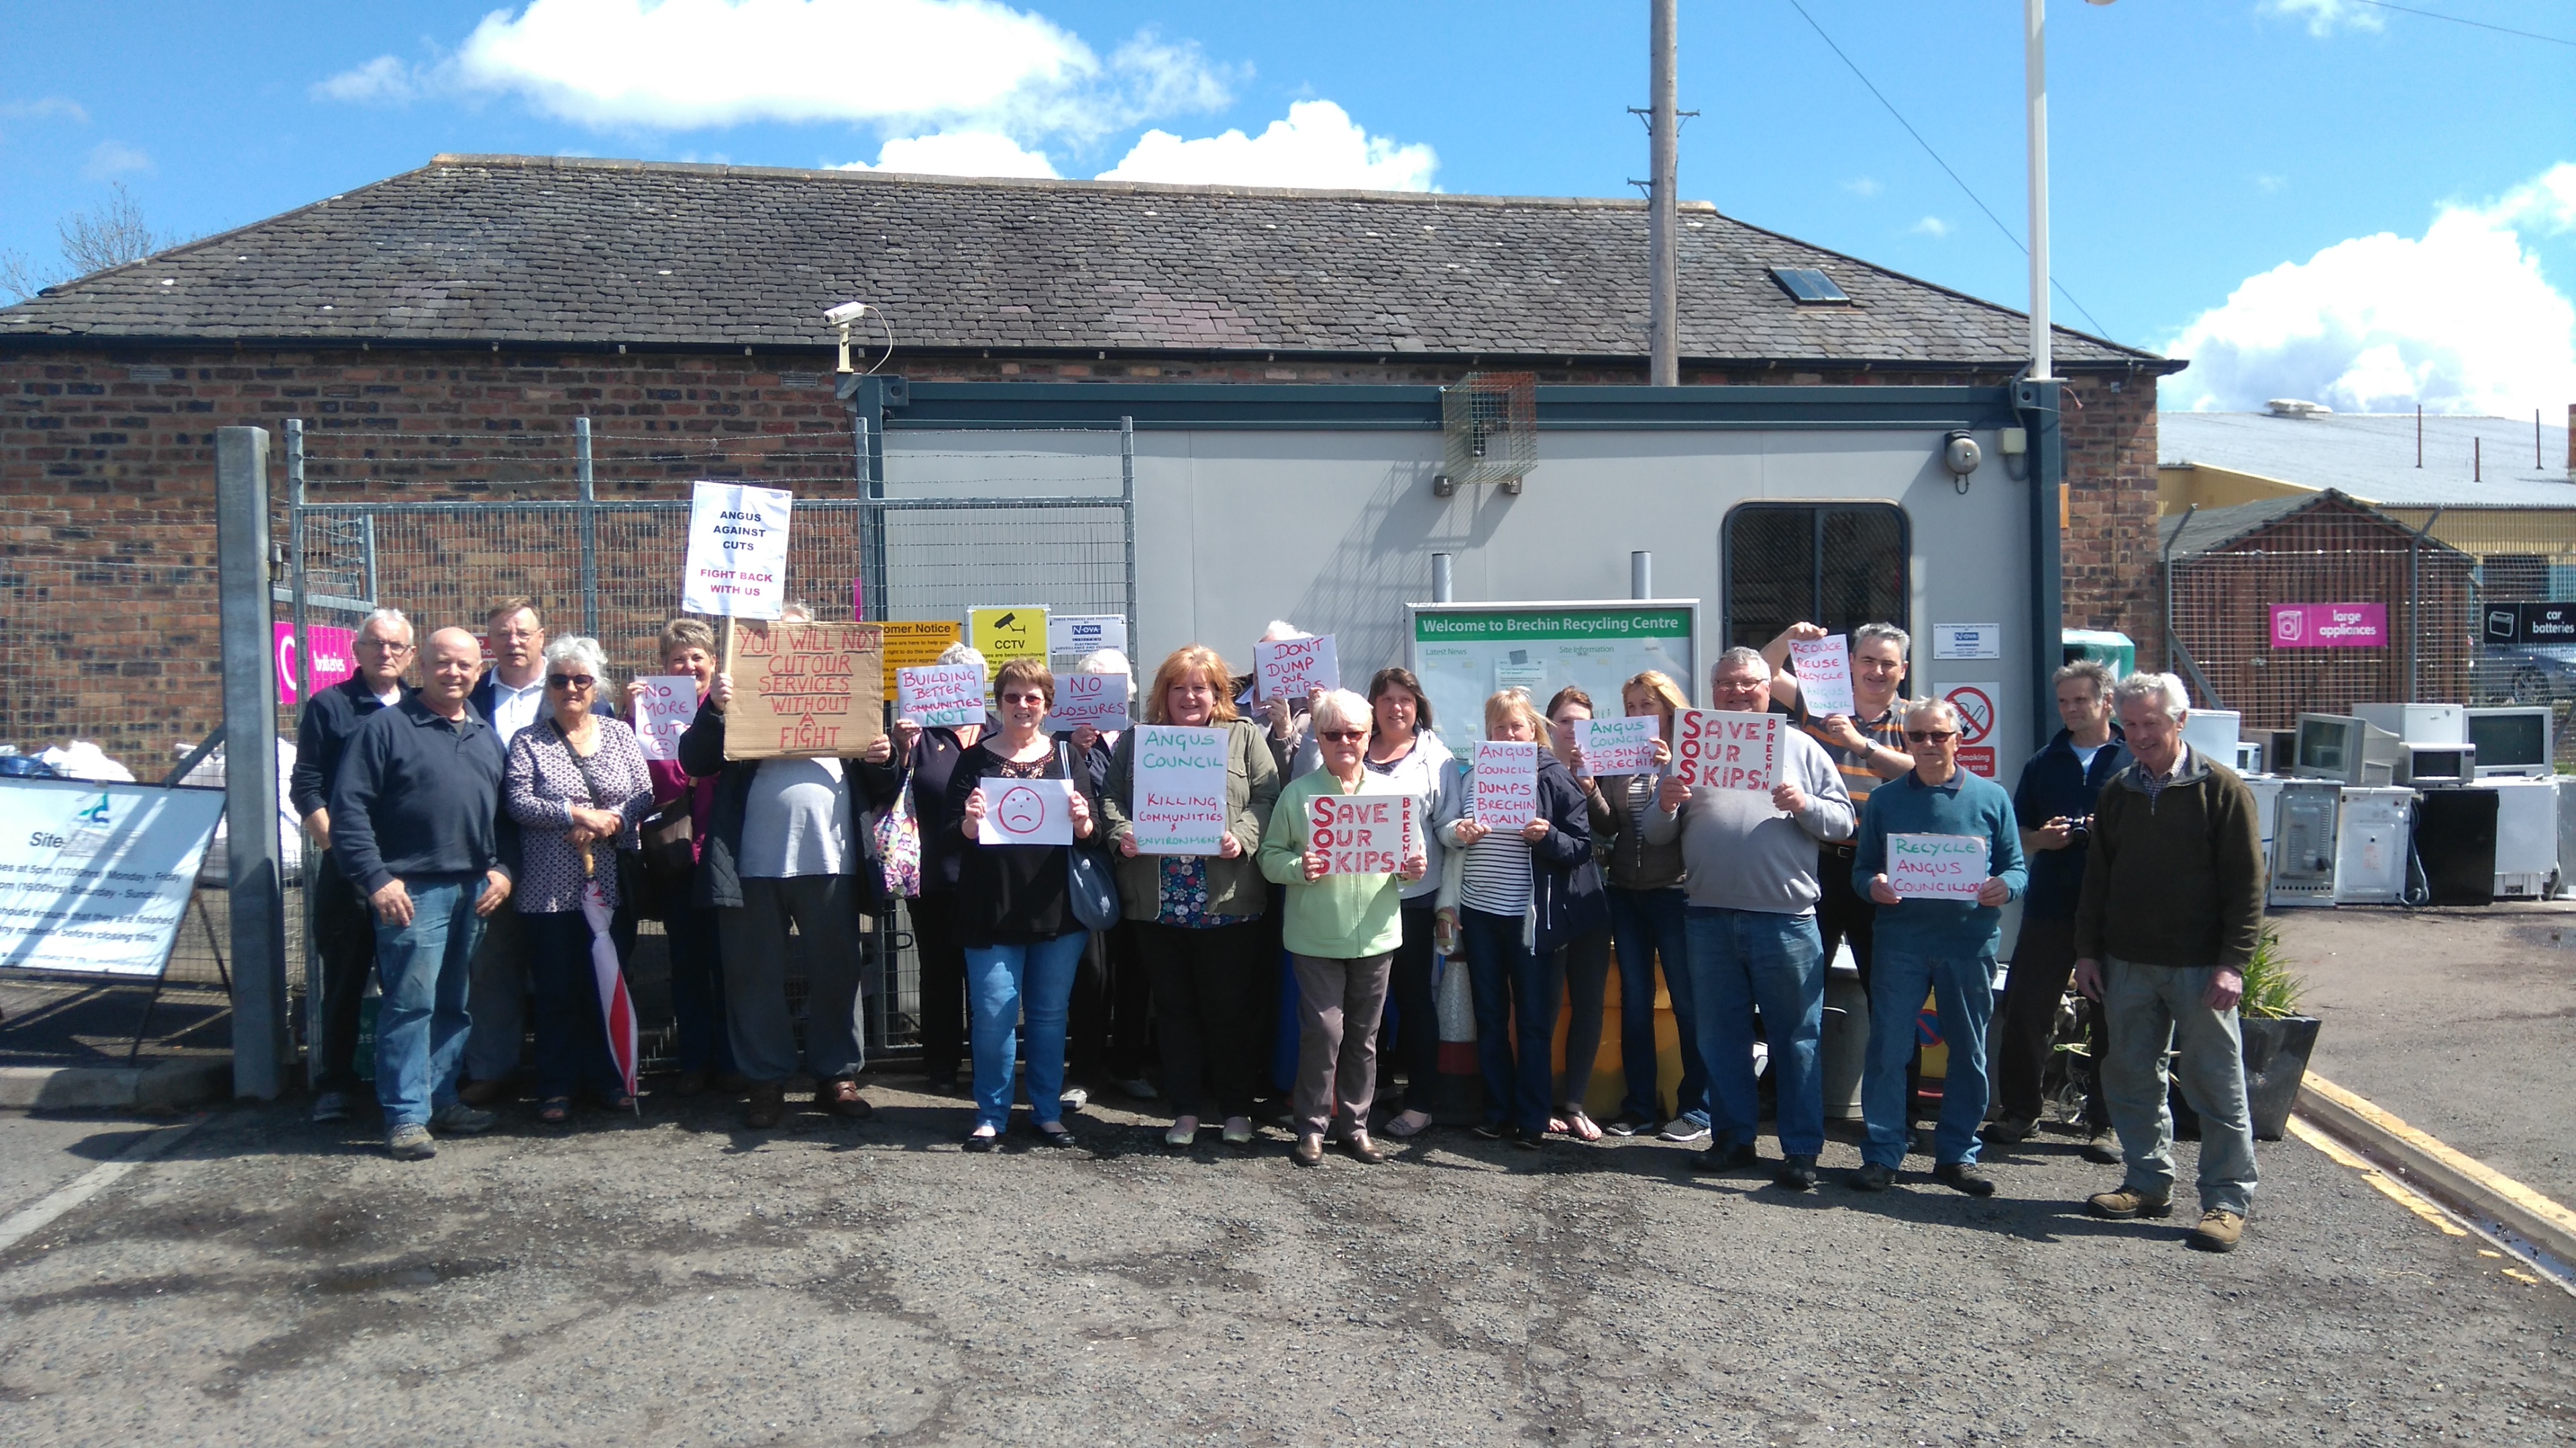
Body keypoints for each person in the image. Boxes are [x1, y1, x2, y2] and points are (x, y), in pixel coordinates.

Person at [2074, 671, 2265, 1254]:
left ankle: (2226, 1201)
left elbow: (2247, 886)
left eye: (2150, 724)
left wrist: (2233, 963)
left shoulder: (2223, 790)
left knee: (2216, 1083)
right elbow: (2097, 879)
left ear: (2180, 722)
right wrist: (2087, 952)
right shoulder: (2120, 790)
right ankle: (2147, 1181)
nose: (2138, 735)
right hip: (2127, 963)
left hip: (2201, 968)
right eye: (2129, 724)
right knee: (2130, 1074)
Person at [1648, 647, 1853, 1189]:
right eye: (1726, 684)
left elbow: (1843, 820)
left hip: (1785, 919)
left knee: (1797, 1040)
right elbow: (1655, 834)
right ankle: (1733, 1139)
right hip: (1709, 917)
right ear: (1713, 689)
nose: (1737, 693)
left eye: (1748, 684)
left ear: (1769, 689)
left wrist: (1803, 804)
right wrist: (1665, 803)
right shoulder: (1691, 748)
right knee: (1721, 1037)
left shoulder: (1802, 746)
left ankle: (1802, 1150)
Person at [678, 604, 881, 1131]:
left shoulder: (849, 695)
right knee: (753, 976)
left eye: (796, 635)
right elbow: (695, 761)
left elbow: (882, 787)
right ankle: (766, 1082)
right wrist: (715, 709)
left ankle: (836, 1074)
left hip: (831, 859)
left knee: (837, 971)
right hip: (750, 863)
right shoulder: (735, 697)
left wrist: (888, 756)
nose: (788, 647)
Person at [328, 626, 515, 1160]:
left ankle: (440, 1098)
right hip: (411, 892)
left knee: (454, 1004)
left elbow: (505, 817)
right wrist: (376, 879)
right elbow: (350, 811)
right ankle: (406, 1116)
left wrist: (503, 869)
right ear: (422, 666)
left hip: (474, 889)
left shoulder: (485, 734)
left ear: (479, 670)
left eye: (464, 664)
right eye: (442, 663)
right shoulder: (385, 730)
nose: (453, 672)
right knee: (410, 1006)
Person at [1099, 645, 1281, 1148]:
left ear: (1218, 693)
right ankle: (1183, 1111)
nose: (1189, 696)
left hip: (1227, 899)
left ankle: (1238, 1109)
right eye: (1179, 687)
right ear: (1164, 694)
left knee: (1229, 1011)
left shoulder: (1243, 737)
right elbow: (1111, 796)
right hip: (1159, 899)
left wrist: (1241, 834)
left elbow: (1270, 796)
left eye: (1200, 687)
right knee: (1175, 1011)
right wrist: (1123, 833)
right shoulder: (1139, 742)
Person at [1849, 698, 2027, 1195]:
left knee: (1968, 1050)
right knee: (1888, 1048)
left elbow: (2017, 867)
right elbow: (1861, 871)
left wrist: (2005, 887)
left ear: (1958, 738)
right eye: (1918, 735)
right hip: (1901, 942)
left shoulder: (1991, 798)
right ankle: (1883, 1152)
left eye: (1938, 735)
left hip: (1968, 944)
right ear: (1905, 739)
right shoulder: (1884, 800)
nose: (1928, 744)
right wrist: (1874, 886)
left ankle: (1957, 1154)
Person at [1260, 689, 1428, 1166]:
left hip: (1375, 934)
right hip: (1317, 934)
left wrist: (1414, 866)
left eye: (1354, 733)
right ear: (1319, 736)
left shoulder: (1392, 794)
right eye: (1332, 733)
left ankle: (1355, 1125)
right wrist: (1298, 866)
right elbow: (1270, 857)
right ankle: (1312, 1127)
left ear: (1368, 734)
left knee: (1364, 1035)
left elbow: (1410, 858)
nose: (1344, 742)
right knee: (1323, 1030)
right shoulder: (1298, 794)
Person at [949, 658, 1099, 1149]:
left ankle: (1047, 1112)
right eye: (1012, 696)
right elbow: (952, 833)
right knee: (994, 1014)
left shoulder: (1065, 757)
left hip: (1058, 909)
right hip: (991, 907)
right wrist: (970, 821)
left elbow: (1093, 831)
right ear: (999, 702)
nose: (1022, 705)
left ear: (1048, 705)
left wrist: (1082, 820)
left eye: (1033, 697)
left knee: (1050, 1016)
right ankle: (991, 1114)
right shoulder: (974, 760)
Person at [504, 636, 653, 1125]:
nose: (570, 687)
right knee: (557, 987)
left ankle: (608, 1078)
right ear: (547, 686)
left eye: (581, 680)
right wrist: (573, 812)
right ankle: (556, 1084)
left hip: (610, 883)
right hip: (549, 889)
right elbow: (519, 801)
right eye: (560, 679)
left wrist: (610, 819)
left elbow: (643, 791)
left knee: (606, 982)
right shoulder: (529, 741)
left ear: (596, 687)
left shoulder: (619, 734)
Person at [1451, 689, 1605, 1150]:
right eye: (1500, 727)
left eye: (1517, 725)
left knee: (1535, 1022)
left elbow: (1582, 846)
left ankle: (1533, 1118)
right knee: (1492, 1016)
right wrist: (1463, 833)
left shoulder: (1554, 775)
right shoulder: (1474, 774)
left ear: (1533, 729)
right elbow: (1457, 834)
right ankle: (1498, 1112)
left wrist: (1547, 836)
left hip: (1530, 919)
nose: (1508, 734)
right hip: (1480, 912)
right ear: (1488, 732)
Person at [1988, 660, 2128, 1159]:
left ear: (2106, 702)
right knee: (2028, 1008)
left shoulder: (2131, 758)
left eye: (2080, 700)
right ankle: (2022, 1112)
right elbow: (2016, 835)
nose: (2070, 709)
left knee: (2111, 1016)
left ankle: (2105, 1122)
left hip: (2115, 910)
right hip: (2051, 903)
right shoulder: (2043, 761)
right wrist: (2043, 839)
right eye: (2064, 701)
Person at [289, 606, 417, 1125]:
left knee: (409, 984)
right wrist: (343, 855)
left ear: (411, 655)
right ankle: (336, 1084)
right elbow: (307, 786)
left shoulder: (421, 706)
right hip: (350, 875)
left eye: (396, 646)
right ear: (356, 650)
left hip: (411, 870)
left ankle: (404, 1084)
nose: (385, 653)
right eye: (376, 644)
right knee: (345, 980)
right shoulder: (330, 706)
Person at [859, 641, 992, 1096]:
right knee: (939, 974)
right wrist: (899, 748)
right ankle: (941, 1067)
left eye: (971, 679)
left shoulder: (999, 732)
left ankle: (989, 1066)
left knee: (989, 977)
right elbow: (884, 791)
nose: (962, 689)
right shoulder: (921, 735)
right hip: (934, 875)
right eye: (954, 679)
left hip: (994, 879)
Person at [1765, 621, 1914, 1000]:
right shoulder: (1818, 703)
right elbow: (1763, 675)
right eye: (1868, 660)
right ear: (1850, 662)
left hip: (1882, 869)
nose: (1876, 671)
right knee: (1801, 986)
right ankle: (1796, 1062)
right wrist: (1787, 640)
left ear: (1903, 670)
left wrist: (1860, 744)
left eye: (1887, 663)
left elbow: (1926, 772)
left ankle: (1898, 1063)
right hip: (1818, 863)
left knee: (1888, 990)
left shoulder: (1915, 719)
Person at [625, 618, 738, 1095]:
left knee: (729, 961)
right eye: (678, 658)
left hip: (725, 849)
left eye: (697, 657)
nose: (688, 665)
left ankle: (733, 1061)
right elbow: (656, 782)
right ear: (664, 665)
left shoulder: (734, 706)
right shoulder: (649, 710)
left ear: (714, 663)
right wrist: (635, 715)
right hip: (674, 854)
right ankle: (694, 1061)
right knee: (687, 961)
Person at [1595, 670, 1706, 1142]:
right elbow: (1606, 825)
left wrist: (1672, 767)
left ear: (1669, 708)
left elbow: (1698, 818)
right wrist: (1589, 786)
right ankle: (1638, 1105)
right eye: (1632, 707)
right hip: (1625, 889)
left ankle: (1697, 1108)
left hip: (1676, 892)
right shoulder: (1617, 757)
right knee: (1635, 1002)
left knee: (1688, 1002)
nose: (1639, 714)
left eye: (1648, 705)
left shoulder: (1691, 753)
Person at [1356, 666, 1462, 1140]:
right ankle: (1368, 1093)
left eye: (1406, 699)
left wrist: (1453, 836)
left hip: (1412, 899)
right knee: (1362, 1003)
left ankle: (1421, 1101)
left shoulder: (1435, 757)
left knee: (1413, 999)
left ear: (1418, 706)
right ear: (1373, 705)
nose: (1396, 707)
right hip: (1356, 896)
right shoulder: (1354, 746)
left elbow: (1446, 822)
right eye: (1387, 699)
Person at [459, 596, 549, 1107]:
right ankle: (492, 1068)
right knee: (492, 966)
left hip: (560, 852)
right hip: (491, 853)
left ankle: (568, 1071)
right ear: (488, 642)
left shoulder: (572, 688)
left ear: (542, 638)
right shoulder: (468, 698)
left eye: (523, 632)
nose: (513, 640)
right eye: (502, 633)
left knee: (564, 965)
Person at [1058, 648, 1152, 1101]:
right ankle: (1084, 1073)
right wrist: (1072, 752)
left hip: (1138, 868)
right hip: (1091, 873)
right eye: (1094, 686)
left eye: (1113, 686)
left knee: (1136, 971)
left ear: (1127, 692)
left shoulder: (1143, 738)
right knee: (1091, 975)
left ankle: (1129, 1066)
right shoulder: (1061, 742)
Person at [1544, 686, 1613, 1142]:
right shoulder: (1526, 769)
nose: (1573, 731)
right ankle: (1539, 1100)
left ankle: (1575, 1102)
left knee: (1589, 1004)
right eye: (1565, 721)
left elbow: (1613, 831)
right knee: (1542, 1009)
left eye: (1582, 723)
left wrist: (1591, 791)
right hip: (1544, 903)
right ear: (1548, 725)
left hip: (1590, 903)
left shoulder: (1604, 771)